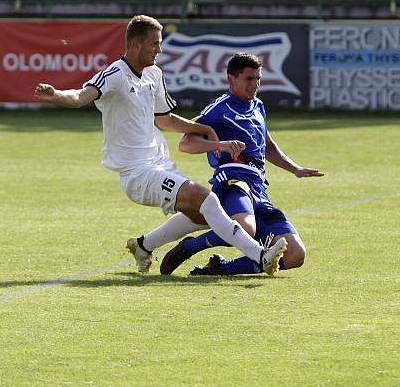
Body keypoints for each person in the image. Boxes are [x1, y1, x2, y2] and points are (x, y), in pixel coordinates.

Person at [33, 15, 287, 276]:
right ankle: (260, 255)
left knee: (204, 215)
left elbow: (164, 120)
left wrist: (204, 129)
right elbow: (79, 97)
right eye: (154, 44)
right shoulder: (115, 74)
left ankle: (144, 246)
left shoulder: (154, 74)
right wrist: (55, 95)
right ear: (135, 45)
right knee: (206, 199)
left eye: (160, 43)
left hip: (160, 164)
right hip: (137, 173)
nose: (159, 49)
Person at [158, 52, 324, 277]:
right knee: (245, 228)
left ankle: (220, 269)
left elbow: (268, 145)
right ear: (231, 79)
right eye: (249, 79)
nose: (255, 84)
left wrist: (294, 168)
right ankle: (189, 247)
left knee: (295, 255)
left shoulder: (258, 106)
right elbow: (186, 144)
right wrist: (222, 144)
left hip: (259, 190)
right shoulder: (219, 109)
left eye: (258, 79)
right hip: (232, 183)